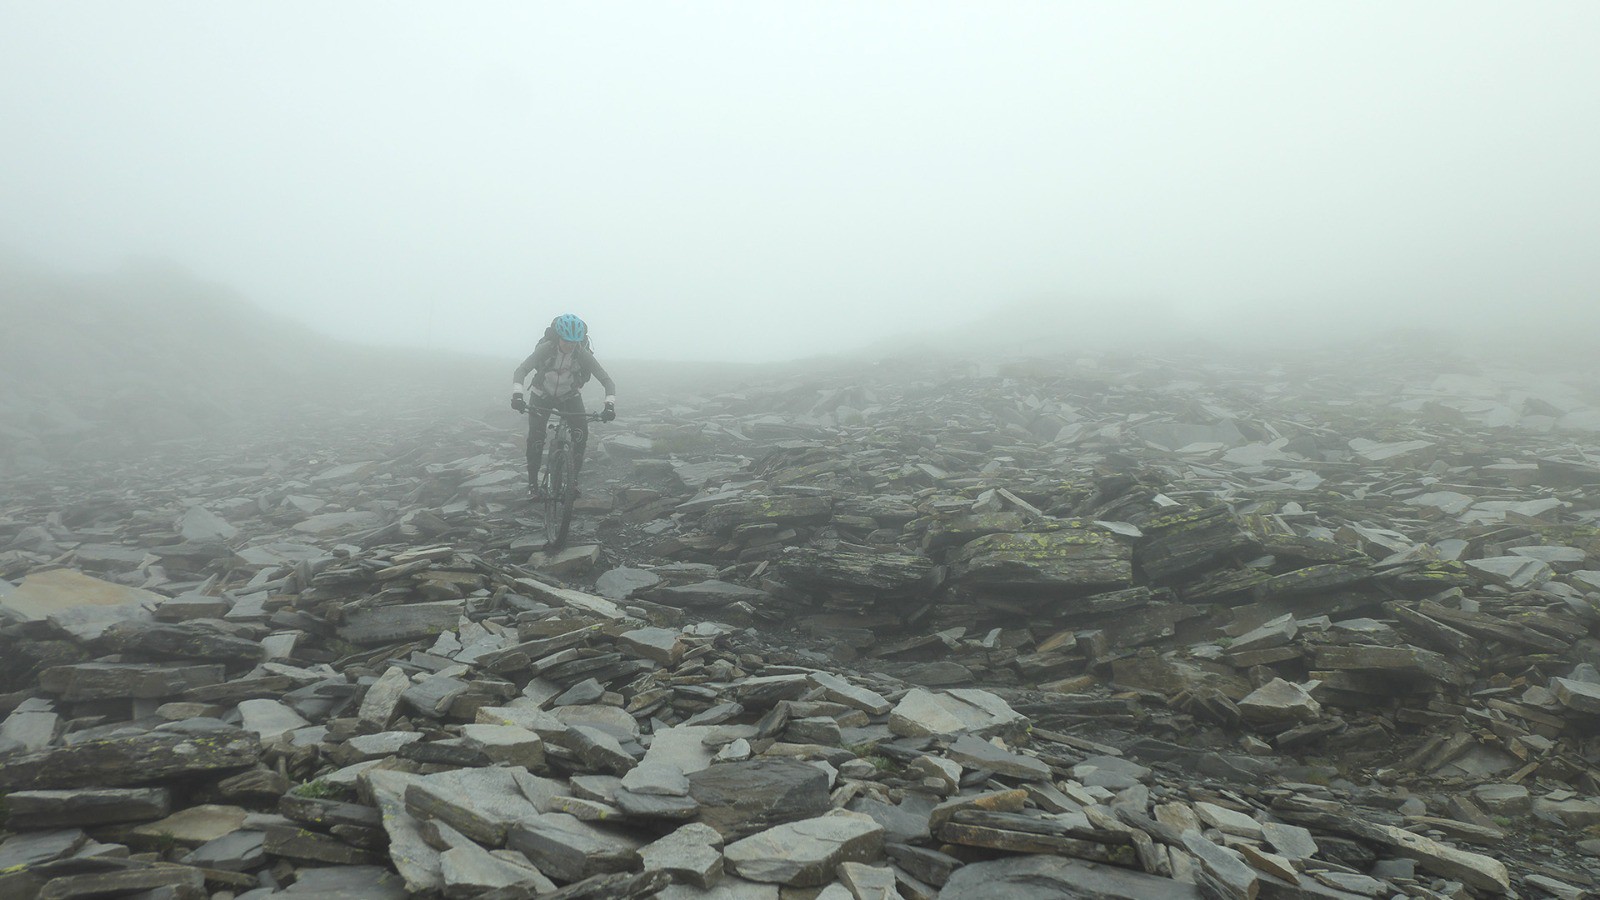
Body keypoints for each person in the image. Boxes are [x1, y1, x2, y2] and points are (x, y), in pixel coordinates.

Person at [511, 314, 616, 499]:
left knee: (580, 435)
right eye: (566, 341)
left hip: (569, 397)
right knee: (536, 440)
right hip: (541, 395)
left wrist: (609, 405)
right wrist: (518, 395)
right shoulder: (546, 349)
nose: (570, 345)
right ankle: (533, 485)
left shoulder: (581, 353)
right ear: (558, 337)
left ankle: (573, 482)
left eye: (574, 342)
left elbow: (607, 381)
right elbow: (521, 370)